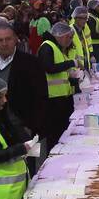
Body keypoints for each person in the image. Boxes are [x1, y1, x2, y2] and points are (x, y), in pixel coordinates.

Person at [37, 22, 80, 151]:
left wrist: (72, 80)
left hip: (63, 96)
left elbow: (60, 75)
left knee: (63, 132)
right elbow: (49, 68)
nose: (69, 41)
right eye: (68, 37)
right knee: (55, 135)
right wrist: (70, 63)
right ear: (59, 36)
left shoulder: (58, 48)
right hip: (53, 99)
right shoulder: (47, 47)